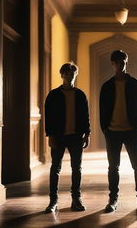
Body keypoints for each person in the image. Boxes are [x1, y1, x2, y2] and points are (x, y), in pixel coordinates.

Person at [100, 50, 137, 215]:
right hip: (112, 132)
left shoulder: (135, 84)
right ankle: (113, 200)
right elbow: (102, 109)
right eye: (117, 62)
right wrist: (105, 129)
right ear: (112, 64)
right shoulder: (107, 86)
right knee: (113, 167)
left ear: (126, 63)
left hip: (131, 132)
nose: (120, 65)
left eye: (123, 62)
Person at [44, 62, 90, 213]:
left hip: (76, 137)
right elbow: (48, 117)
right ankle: (53, 201)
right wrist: (50, 136)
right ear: (62, 75)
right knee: (55, 168)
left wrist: (87, 134)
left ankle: (76, 199)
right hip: (58, 136)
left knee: (77, 168)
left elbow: (85, 117)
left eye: (73, 74)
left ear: (75, 75)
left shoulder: (80, 95)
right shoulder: (53, 95)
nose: (70, 76)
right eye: (67, 73)